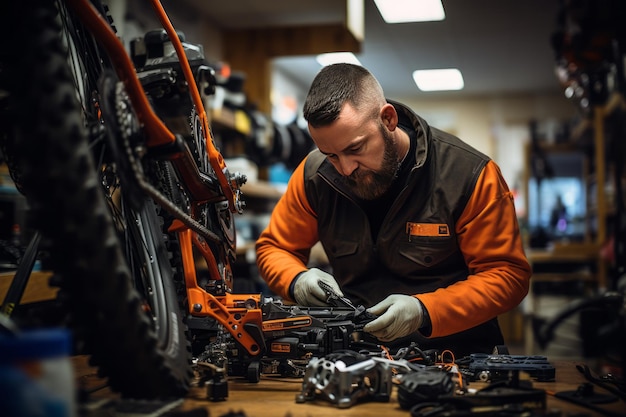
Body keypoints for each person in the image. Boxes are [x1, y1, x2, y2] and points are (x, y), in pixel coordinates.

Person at [255, 63, 531, 358]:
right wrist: (296, 279)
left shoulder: (469, 175)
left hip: (455, 359)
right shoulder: (314, 175)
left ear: (388, 119)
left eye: (355, 149)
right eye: (331, 155)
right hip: (356, 358)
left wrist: (425, 311)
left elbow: (506, 274)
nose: (345, 169)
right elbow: (274, 248)